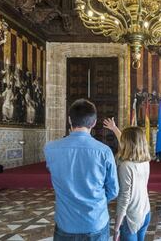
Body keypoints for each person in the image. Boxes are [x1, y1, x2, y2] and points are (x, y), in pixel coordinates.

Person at [44, 99, 119, 240]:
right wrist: (95, 201)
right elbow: (113, 190)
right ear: (94, 122)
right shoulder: (104, 151)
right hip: (95, 221)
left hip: (65, 223)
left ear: (69, 120)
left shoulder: (50, 148)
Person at [103, 118, 151, 241]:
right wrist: (114, 128)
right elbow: (130, 144)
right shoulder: (145, 161)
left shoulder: (125, 166)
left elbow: (125, 198)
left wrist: (117, 227)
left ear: (127, 143)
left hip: (131, 218)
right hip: (145, 211)